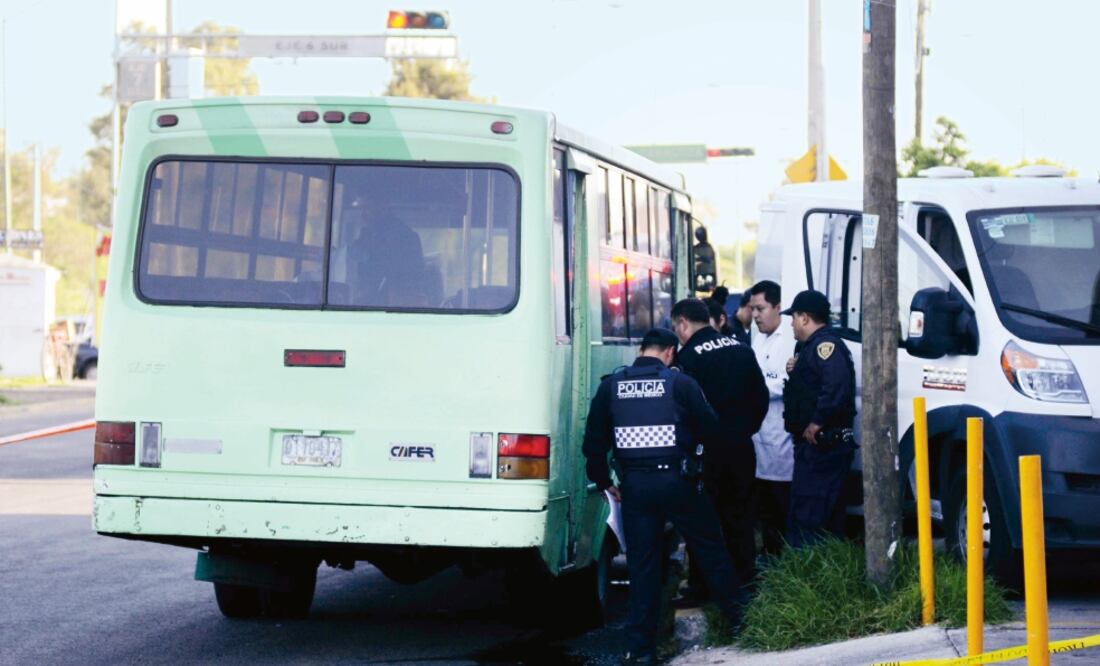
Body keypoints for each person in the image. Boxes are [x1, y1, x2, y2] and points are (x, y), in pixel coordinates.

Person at [582, 328, 742, 666]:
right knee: (712, 551)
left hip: (635, 488)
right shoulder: (680, 384)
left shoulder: (611, 386)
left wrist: (601, 480)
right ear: (670, 352)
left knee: (642, 567)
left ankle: (641, 650)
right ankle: (741, 625)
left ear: (641, 350)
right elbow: (711, 430)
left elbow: (593, 442)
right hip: (680, 482)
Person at [671, 298, 768, 588]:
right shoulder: (741, 348)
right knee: (740, 517)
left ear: (684, 324)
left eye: (676, 327)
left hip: (707, 454)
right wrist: (745, 429)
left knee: (704, 522)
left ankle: (705, 586)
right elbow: (760, 397)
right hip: (741, 448)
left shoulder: (687, 358)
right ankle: (746, 582)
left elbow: (683, 411)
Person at [780, 290, 858, 548]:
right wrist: (797, 370)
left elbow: (836, 387)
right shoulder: (811, 348)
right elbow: (813, 386)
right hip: (814, 448)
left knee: (810, 516)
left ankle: (809, 575)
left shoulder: (826, 346)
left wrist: (817, 422)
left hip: (822, 446)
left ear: (804, 318)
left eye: (793, 317)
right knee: (812, 514)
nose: (791, 323)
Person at [747, 280, 797, 556]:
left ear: (778, 307)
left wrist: (754, 387)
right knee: (764, 507)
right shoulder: (758, 337)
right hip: (759, 434)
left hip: (780, 436)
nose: (755, 315)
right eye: (753, 309)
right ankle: (768, 555)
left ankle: (782, 560)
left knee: (781, 505)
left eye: (761, 308)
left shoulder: (789, 338)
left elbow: (782, 384)